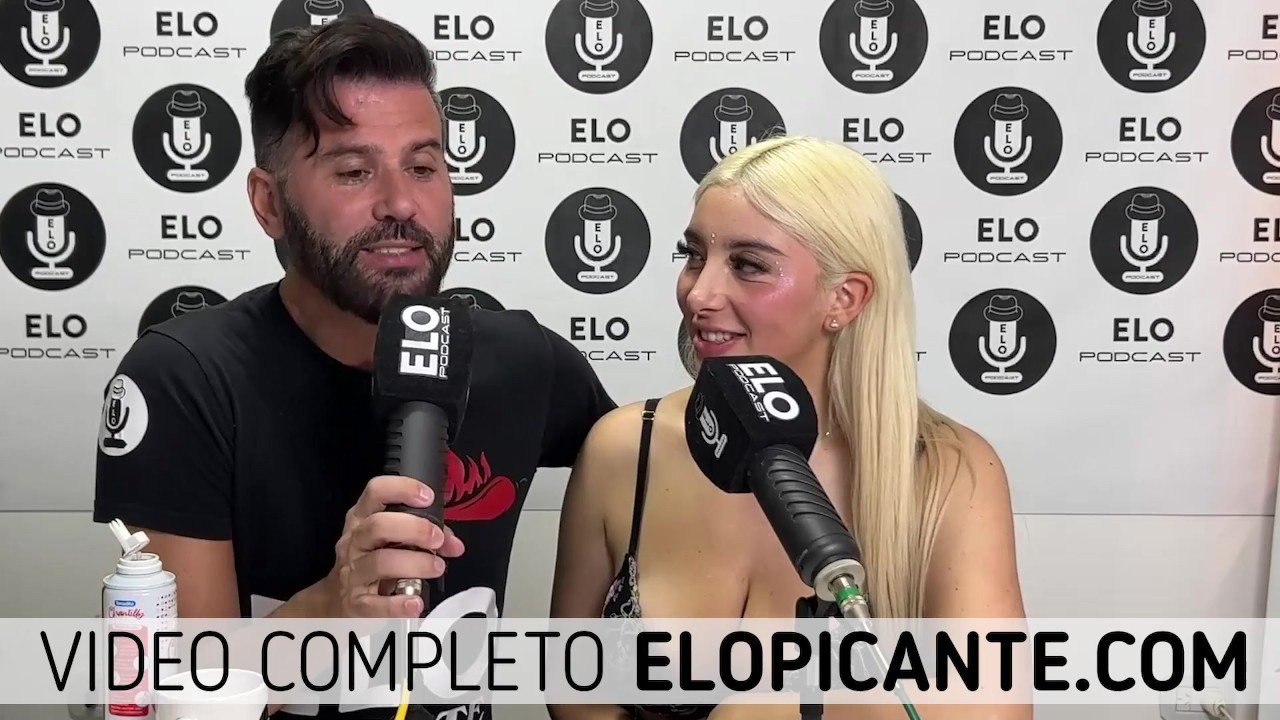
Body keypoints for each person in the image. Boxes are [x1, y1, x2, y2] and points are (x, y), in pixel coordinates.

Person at [92, 15, 615, 720]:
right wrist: (330, 607)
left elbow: (654, 471)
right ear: (269, 203)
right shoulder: (186, 379)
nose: (401, 204)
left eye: (423, 167)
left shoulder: (523, 360)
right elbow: (177, 693)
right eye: (354, 171)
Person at [549, 136, 1028, 720]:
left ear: (844, 298)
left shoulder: (950, 471)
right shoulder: (626, 445)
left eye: (748, 265)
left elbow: (992, 710)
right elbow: (575, 693)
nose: (699, 293)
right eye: (694, 255)